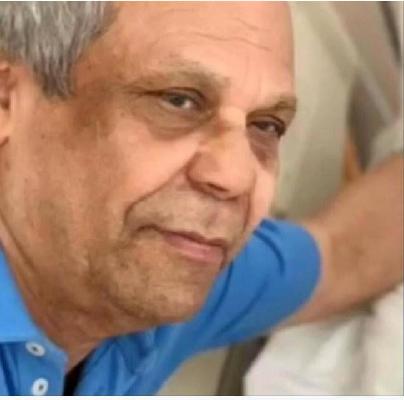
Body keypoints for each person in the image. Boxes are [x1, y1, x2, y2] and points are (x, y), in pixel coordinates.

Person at [0, 2, 402, 396]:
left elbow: (342, 252)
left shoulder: (154, 279)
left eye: (266, 126)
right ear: (7, 101)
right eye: (178, 101)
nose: (236, 176)